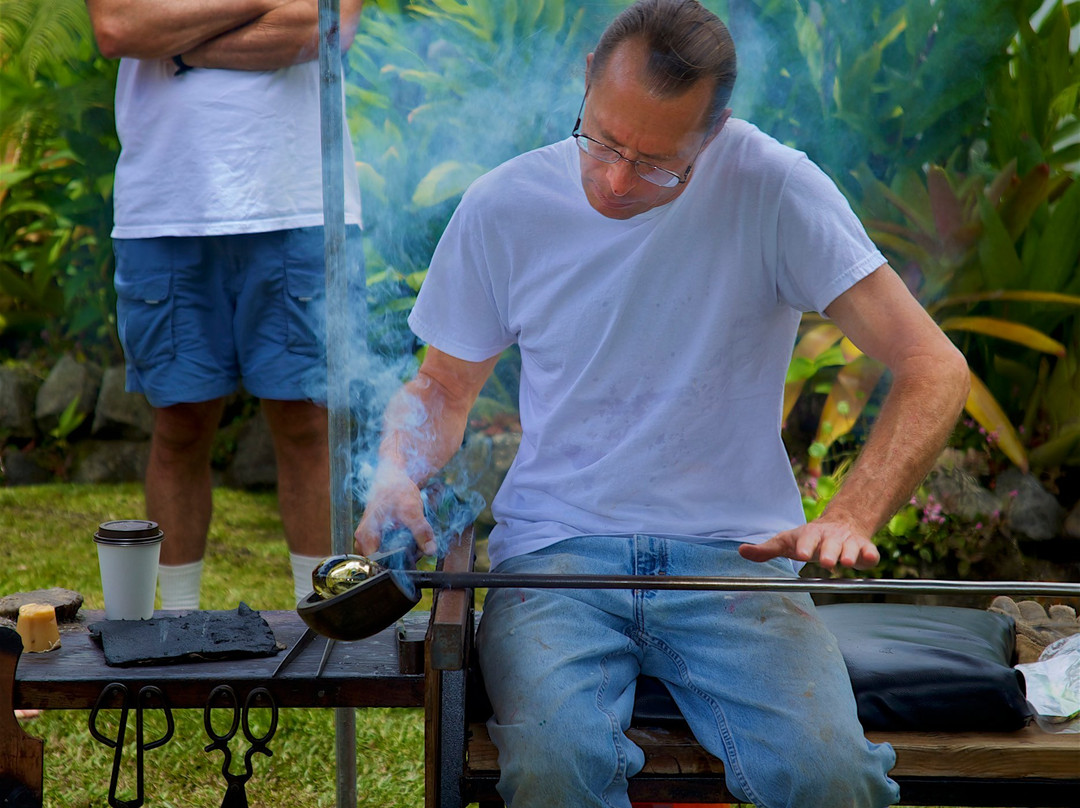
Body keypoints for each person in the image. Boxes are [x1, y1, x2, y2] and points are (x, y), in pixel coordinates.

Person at [355, 1, 970, 805]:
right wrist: (394, 473)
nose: (614, 180)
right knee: (555, 766)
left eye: (656, 163)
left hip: (735, 561)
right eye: (603, 140)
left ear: (712, 133)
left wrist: (852, 514)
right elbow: (439, 386)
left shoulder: (774, 187)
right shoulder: (505, 205)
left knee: (832, 777)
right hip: (556, 559)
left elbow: (934, 366)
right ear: (586, 82)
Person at [86, 0, 365, 608]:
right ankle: (177, 626)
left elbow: (329, 24)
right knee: (180, 423)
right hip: (167, 199)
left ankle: (319, 627)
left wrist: (179, 44)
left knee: (308, 423)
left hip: (301, 197)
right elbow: (118, 27)